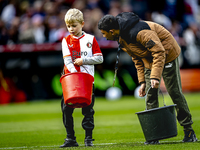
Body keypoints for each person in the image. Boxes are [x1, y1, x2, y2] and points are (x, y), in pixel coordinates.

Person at [98, 12, 197, 144]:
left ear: (111, 31)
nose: (103, 36)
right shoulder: (121, 37)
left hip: (167, 54)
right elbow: (137, 58)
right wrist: (143, 82)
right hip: (149, 58)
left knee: (174, 93)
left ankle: (189, 131)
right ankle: (154, 136)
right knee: (150, 94)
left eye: (104, 33)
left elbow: (159, 52)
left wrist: (155, 76)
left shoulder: (140, 32)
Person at [60, 8, 103, 147]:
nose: (71, 29)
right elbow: (67, 61)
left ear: (82, 24)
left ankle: (88, 139)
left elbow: (100, 58)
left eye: (74, 25)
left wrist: (83, 60)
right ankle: (70, 138)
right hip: (71, 82)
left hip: (88, 82)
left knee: (88, 111)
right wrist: (75, 75)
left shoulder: (90, 39)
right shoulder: (65, 41)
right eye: (68, 26)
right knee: (66, 109)